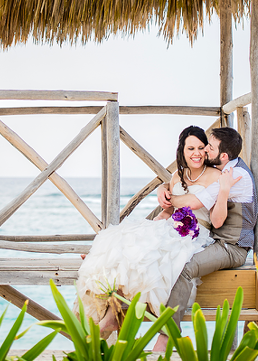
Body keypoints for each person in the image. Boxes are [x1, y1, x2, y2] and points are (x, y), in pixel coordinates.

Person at [75, 126, 220, 337]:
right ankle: (110, 311)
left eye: (200, 147)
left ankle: (119, 315)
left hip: (196, 233)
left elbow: (197, 204)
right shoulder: (176, 177)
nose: (196, 153)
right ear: (182, 151)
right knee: (128, 238)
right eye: (190, 148)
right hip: (172, 226)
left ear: (206, 149)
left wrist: (167, 195)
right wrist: (160, 207)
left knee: (150, 256)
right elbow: (169, 211)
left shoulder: (215, 175)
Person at [151, 126, 256, 352]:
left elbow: (199, 206)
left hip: (233, 246)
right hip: (220, 241)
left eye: (209, 147)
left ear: (223, 155)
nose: (205, 151)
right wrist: (163, 188)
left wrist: (169, 198)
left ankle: (168, 334)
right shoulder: (226, 168)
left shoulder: (232, 175)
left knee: (185, 266)